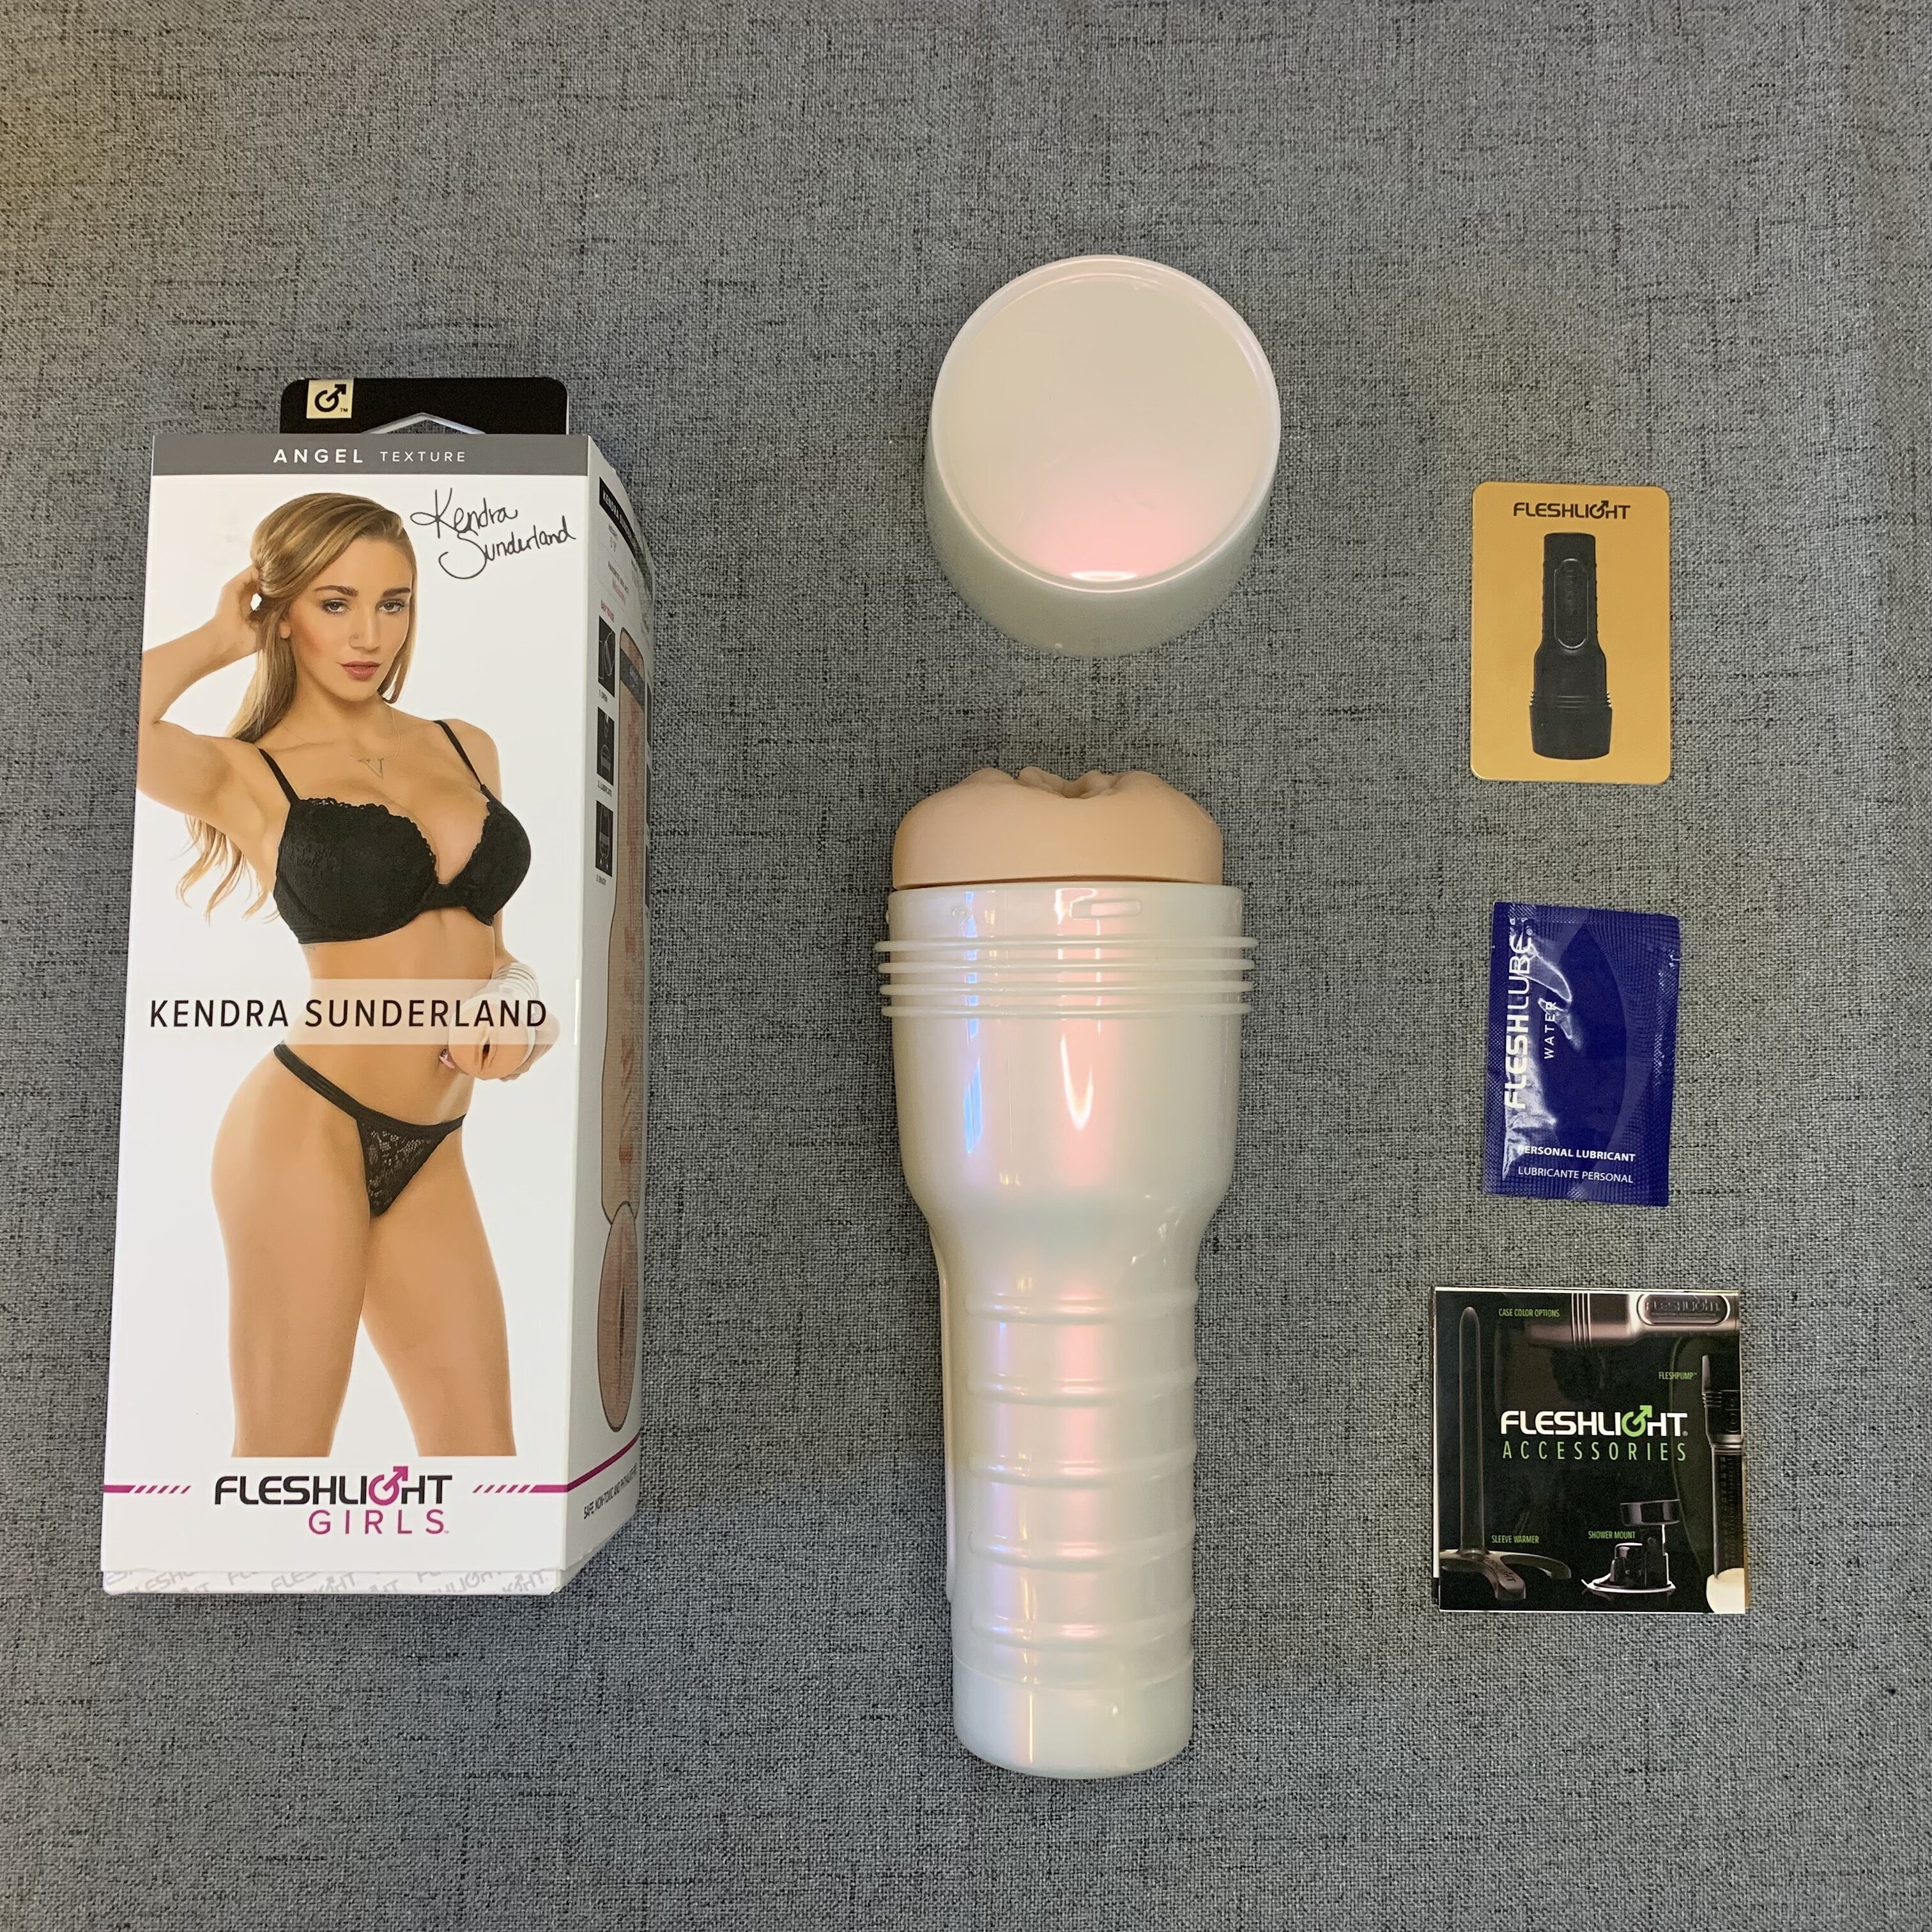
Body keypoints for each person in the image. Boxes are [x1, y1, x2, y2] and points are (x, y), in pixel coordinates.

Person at [137, 491, 545, 1457]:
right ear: (280, 611)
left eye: (393, 604)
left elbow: (493, 948)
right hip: (305, 1126)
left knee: (481, 1455)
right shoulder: (245, 774)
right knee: (283, 1454)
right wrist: (216, 638)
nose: (370, 635)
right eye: (335, 603)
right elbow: (90, 724)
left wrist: (521, 1008)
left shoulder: (465, 746)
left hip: (434, 1142)